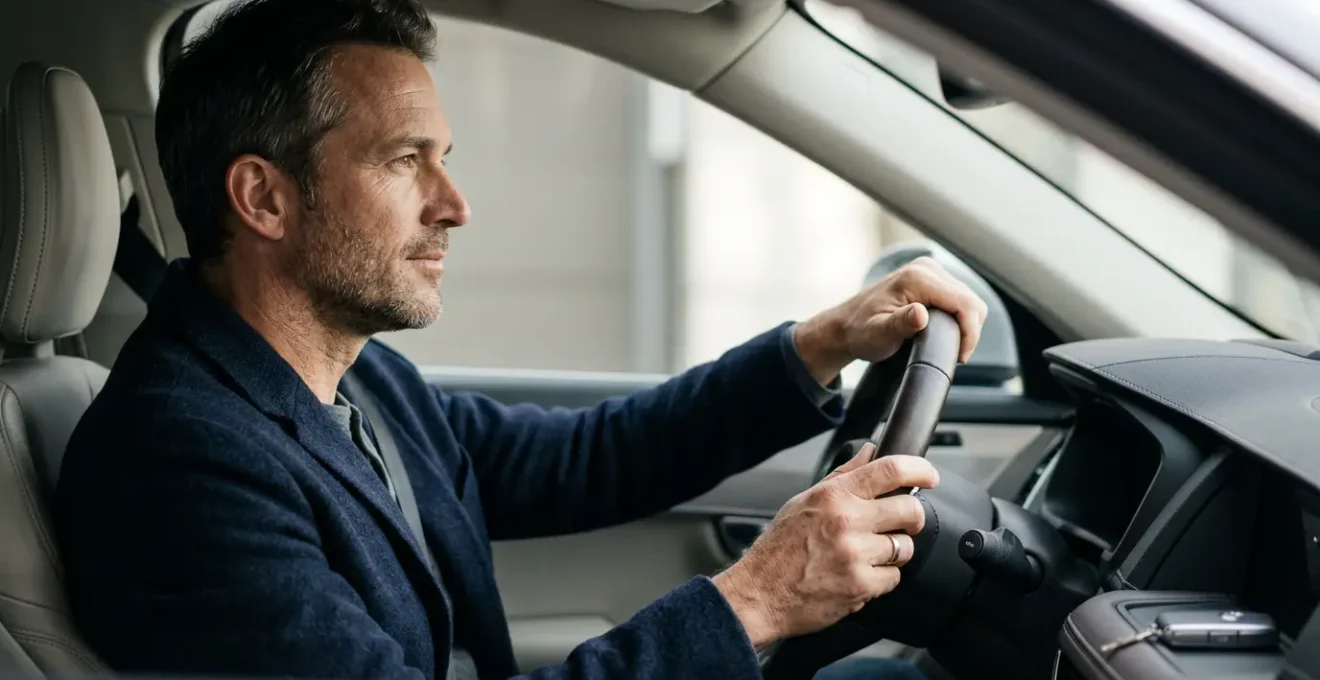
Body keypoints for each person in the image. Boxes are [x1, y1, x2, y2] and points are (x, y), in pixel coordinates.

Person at [53, 0, 988, 678]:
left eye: (444, 160)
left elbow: (590, 456)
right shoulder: (179, 461)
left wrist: (821, 342)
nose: (454, 206)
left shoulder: (348, 380)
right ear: (264, 197)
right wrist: (755, 600)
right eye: (402, 160)